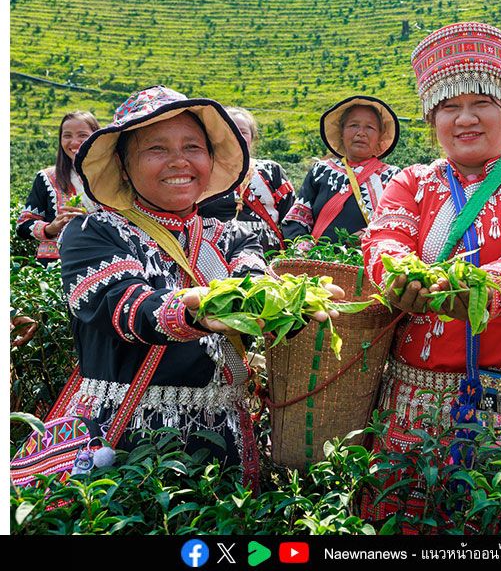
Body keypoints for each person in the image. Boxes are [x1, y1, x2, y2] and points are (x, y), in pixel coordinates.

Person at [56, 86, 342, 488]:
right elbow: (123, 305)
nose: (179, 161)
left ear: (209, 158)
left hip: (222, 438)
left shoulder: (230, 236)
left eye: (193, 147)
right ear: (122, 165)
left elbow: (255, 288)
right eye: (157, 149)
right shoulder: (95, 233)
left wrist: (290, 306)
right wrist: (189, 311)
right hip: (129, 441)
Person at [362, 22, 501, 523]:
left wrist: (478, 289)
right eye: (448, 107)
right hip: (410, 400)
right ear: (432, 118)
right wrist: (398, 275)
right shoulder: (410, 182)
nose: (465, 119)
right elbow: (385, 239)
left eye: (481, 102)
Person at [284, 96, 401, 242]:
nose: (361, 133)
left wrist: (367, 236)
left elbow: (396, 222)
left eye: (370, 127)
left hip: (369, 254)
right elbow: (298, 218)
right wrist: (303, 247)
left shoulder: (393, 177)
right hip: (315, 255)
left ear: (379, 136)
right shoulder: (320, 171)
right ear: (341, 132)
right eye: (353, 125)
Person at [197, 106, 300, 255]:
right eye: (229, 130)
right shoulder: (203, 173)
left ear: (252, 137)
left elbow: (291, 218)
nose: (236, 136)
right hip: (213, 257)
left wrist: (295, 255)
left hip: (269, 258)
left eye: (243, 132)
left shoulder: (272, 171)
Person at [16, 111, 101, 264]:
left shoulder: (114, 176)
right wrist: (50, 228)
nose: (74, 142)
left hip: (103, 259)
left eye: (82, 135)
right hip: (56, 266)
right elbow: (22, 226)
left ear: (96, 137)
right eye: (67, 136)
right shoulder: (47, 178)